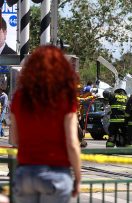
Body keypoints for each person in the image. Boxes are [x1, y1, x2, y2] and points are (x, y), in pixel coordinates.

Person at [10, 45, 81, 203]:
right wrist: (78, 176)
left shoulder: (20, 97)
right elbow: (72, 143)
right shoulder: (65, 97)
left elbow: (15, 139)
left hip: (25, 173)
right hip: (56, 174)